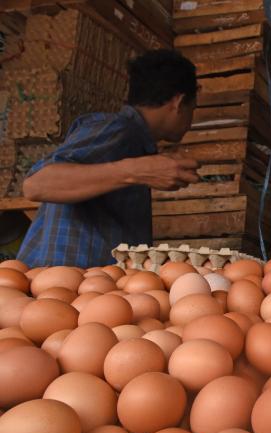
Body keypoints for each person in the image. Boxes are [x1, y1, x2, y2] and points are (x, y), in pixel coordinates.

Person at [17, 49, 200, 268]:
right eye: (193, 109)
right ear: (178, 103)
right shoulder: (117, 129)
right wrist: (135, 170)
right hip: (62, 290)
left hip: (88, 291)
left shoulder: (135, 143)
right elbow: (36, 184)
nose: (190, 121)